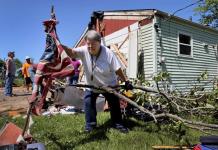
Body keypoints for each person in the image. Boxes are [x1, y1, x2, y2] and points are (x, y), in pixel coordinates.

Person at [63, 30, 133, 133]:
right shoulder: (84, 50)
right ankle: (90, 126)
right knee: (88, 103)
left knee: (114, 104)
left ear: (99, 42)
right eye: (88, 44)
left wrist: (126, 81)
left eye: (93, 44)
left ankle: (118, 124)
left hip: (109, 84)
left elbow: (117, 69)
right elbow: (72, 53)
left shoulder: (108, 53)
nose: (90, 47)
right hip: (92, 85)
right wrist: (61, 46)